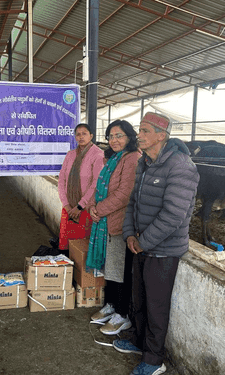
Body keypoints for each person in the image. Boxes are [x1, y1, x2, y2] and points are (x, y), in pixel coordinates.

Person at [117, 112, 199, 375]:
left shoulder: (180, 166)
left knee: (156, 305)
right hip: (141, 244)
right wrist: (131, 235)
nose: (138, 135)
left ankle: (153, 361)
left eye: (144, 131)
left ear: (161, 135)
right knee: (138, 298)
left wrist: (144, 241)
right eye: (139, 131)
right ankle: (139, 342)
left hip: (163, 250)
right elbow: (132, 203)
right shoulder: (145, 163)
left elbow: (174, 215)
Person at [86, 120, 140, 336]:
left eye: (119, 135)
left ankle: (122, 314)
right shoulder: (112, 159)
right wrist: (91, 207)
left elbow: (124, 194)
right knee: (110, 268)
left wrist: (98, 210)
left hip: (118, 223)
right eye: (110, 136)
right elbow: (99, 186)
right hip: (104, 221)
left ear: (129, 137)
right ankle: (110, 304)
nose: (114, 140)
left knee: (119, 270)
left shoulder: (132, 158)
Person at [57, 123, 104, 254]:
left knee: (82, 247)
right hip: (69, 208)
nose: (81, 137)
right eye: (78, 134)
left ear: (91, 136)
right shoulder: (70, 155)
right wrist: (66, 204)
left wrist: (80, 206)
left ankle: (80, 274)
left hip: (85, 209)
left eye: (84, 133)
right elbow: (62, 179)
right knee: (66, 246)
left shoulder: (98, 155)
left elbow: (96, 183)